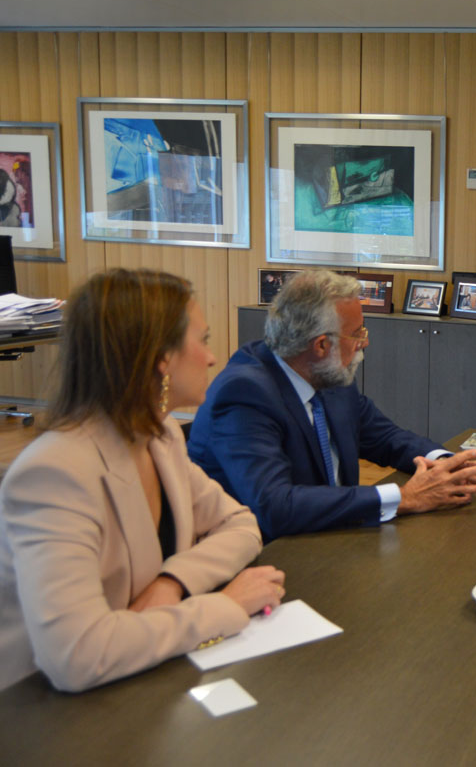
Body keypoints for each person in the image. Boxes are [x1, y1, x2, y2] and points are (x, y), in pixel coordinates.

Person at [0, 269, 283, 693]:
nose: (210, 357)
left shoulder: (159, 435)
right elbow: (76, 656)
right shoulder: (53, 473)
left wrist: (174, 583)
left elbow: (241, 524)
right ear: (161, 357)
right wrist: (223, 606)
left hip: (138, 678)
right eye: (202, 340)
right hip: (45, 713)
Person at [188, 270, 476, 541]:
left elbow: (384, 438)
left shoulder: (325, 373)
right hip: (269, 557)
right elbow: (275, 507)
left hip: (335, 535)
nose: (365, 342)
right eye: (358, 333)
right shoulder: (245, 394)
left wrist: (447, 464)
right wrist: (404, 498)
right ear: (321, 345)